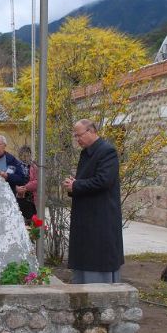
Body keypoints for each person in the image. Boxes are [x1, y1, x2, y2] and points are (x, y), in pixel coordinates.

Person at [62, 119, 124, 284]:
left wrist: (76, 185)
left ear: (91, 131)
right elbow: (88, 179)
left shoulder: (107, 151)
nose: (77, 139)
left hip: (101, 215)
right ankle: (82, 288)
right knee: (85, 254)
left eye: (79, 135)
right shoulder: (86, 152)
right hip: (86, 214)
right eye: (75, 136)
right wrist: (73, 183)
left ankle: (100, 290)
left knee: (98, 256)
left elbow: (104, 181)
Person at [15, 145, 38, 221]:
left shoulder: (34, 167)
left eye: (27, 155)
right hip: (18, 197)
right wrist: (17, 188)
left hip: (31, 199)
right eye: (23, 155)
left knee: (32, 221)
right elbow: (11, 180)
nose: (25, 157)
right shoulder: (15, 166)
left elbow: (37, 182)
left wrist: (26, 188)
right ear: (20, 155)